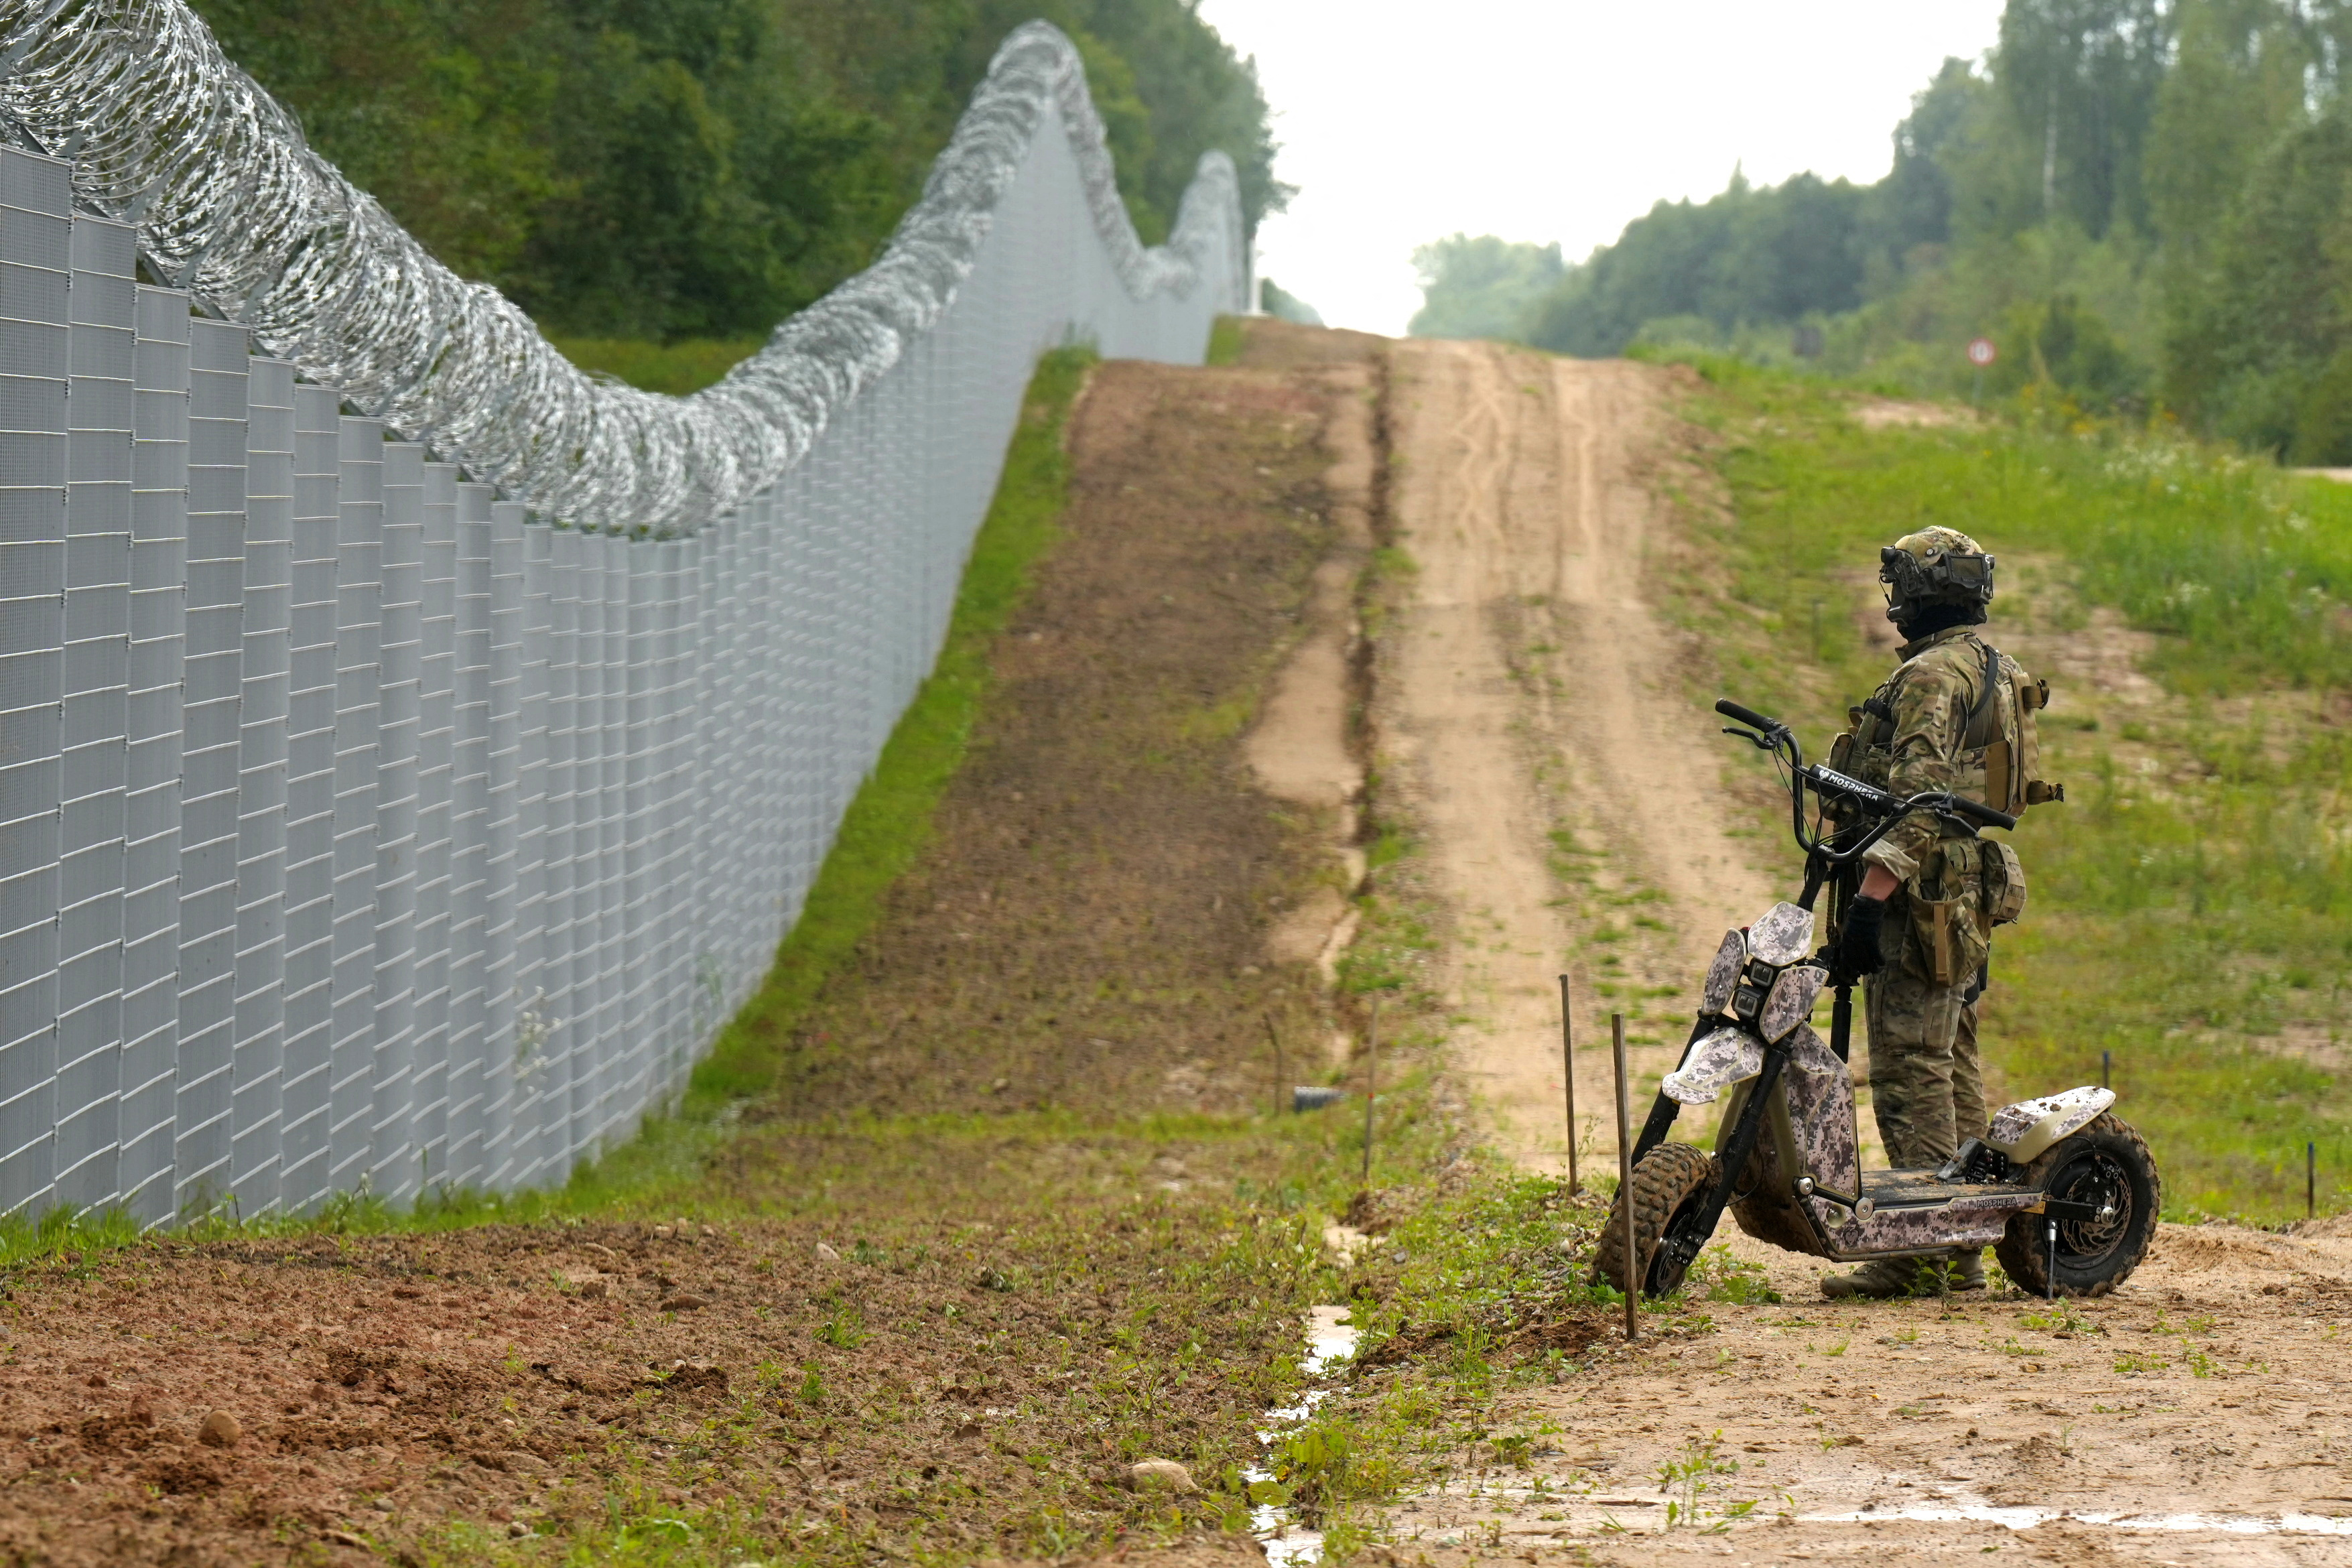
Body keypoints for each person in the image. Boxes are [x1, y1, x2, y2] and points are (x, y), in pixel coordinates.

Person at [1821, 527, 2038, 1300]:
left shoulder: (1931, 676)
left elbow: (1917, 801)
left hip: (1920, 896)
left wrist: (1868, 908)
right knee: (1953, 1066)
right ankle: (1964, 1244)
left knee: (1912, 1068)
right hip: (1964, 891)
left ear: (1914, 594)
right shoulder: (1994, 668)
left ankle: (1920, 1251)